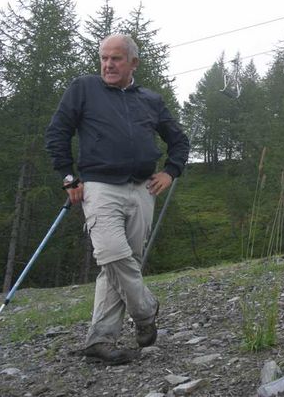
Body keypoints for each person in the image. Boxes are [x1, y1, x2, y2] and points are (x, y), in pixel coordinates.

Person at [45, 34, 190, 364]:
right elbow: (57, 133)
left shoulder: (150, 100)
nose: (108, 65)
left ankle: (100, 339)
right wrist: (69, 178)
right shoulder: (84, 88)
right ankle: (146, 310)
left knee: (122, 266)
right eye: (103, 58)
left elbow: (179, 141)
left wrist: (171, 171)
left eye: (116, 59)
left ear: (133, 63)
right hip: (98, 186)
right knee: (112, 254)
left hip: (143, 189)